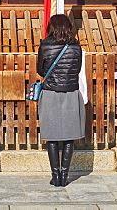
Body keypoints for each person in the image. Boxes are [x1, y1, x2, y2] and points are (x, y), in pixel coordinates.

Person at [37, 13, 85, 187]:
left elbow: (41, 71)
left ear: (51, 27)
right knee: (68, 137)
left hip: (50, 92)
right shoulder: (76, 46)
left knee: (52, 136)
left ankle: (55, 175)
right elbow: (77, 69)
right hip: (71, 92)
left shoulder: (44, 45)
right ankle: (65, 175)